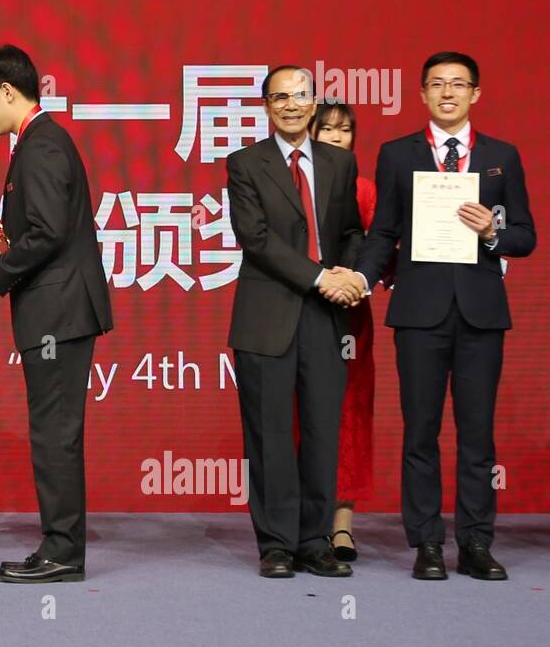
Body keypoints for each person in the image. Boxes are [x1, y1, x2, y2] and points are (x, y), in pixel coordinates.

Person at [354, 52, 536, 581]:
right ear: (422, 94)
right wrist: (363, 278)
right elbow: (383, 232)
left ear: (476, 94)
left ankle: (476, 543)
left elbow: (524, 235)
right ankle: (427, 543)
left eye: (458, 84)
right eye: (436, 84)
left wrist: (492, 235)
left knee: (477, 434)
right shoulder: (396, 154)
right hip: (419, 311)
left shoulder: (502, 155)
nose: (448, 92)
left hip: (480, 312)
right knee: (420, 432)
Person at [0, 44, 113, 584]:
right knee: (53, 431)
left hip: (59, 312)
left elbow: (46, 232)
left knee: (54, 433)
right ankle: (60, 545)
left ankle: (63, 551)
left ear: (6, 91)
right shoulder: (38, 142)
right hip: (56, 309)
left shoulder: (42, 146)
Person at [224, 65, 364, 579]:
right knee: (269, 434)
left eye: (299, 96)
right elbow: (255, 239)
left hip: (325, 318)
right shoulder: (245, 163)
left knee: (323, 430)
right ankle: (277, 544)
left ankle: (314, 540)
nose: (290, 105)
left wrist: (350, 272)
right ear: (265, 105)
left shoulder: (338, 163)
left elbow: (350, 229)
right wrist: (321, 276)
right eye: (279, 97)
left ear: (313, 103)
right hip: (268, 315)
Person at [309, 101, 384, 561]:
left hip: (350, 319)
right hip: (302, 313)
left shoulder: (366, 191)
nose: (336, 137)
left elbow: (379, 252)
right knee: (304, 415)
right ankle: (305, 523)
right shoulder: (293, 184)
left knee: (348, 416)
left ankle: (342, 526)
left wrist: (353, 285)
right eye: (327, 129)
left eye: (344, 130)